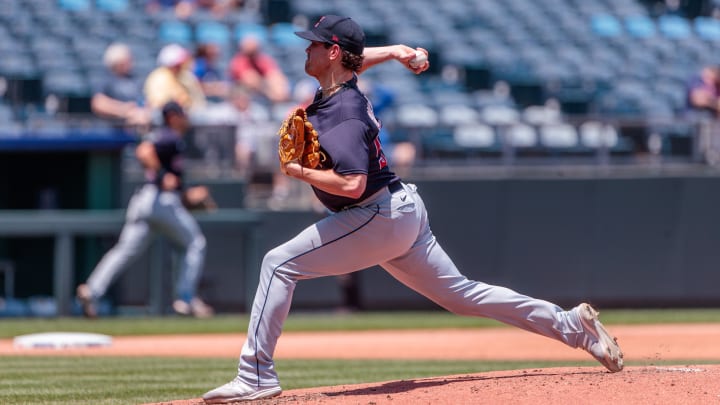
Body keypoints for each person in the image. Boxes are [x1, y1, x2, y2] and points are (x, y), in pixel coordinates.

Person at [201, 15, 623, 403]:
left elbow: (352, 183)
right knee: (462, 295)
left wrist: (298, 171)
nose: (304, 49)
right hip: (399, 210)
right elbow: (355, 61)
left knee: (278, 264)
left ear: (331, 53)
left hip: (373, 213)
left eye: (313, 44)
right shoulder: (340, 85)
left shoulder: (343, 111)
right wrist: (398, 50)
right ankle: (572, 327)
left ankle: (256, 374)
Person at [76, 101, 214, 319]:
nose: (186, 117)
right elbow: (143, 151)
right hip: (160, 200)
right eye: (182, 114)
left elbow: (168, 177)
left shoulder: (170, 137)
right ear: (172, 116)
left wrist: (187, 194)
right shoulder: (169, 135)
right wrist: (162, 178)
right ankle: (185, 299)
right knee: (195, 243)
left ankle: (92, 290)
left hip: (146, 201)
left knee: (124, 251)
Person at [91, 42, 151, 132]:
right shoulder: (106, 80)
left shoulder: (136, 79)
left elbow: (147, 101)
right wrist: (123, 110)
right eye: (127, 60)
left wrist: (143, 112)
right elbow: (98, 103)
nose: (131, 63)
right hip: (113, 129)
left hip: (137, 125)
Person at [144, 43, 208, 113]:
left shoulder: (187, 76)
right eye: (178, 64)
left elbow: (199, 100)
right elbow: (158, 104)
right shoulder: (158, 78)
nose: (182, 65)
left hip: (192, 116)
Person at [227, 35, 290, 104]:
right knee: (252, 78)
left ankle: (280, 99)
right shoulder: (238, 61)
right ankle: (277, 99)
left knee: (276, 78)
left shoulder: (261, 59)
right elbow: (250, 79)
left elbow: (275, 74)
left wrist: (279, 89)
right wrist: (270, 93)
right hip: (243, 92)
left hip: (265, 90)